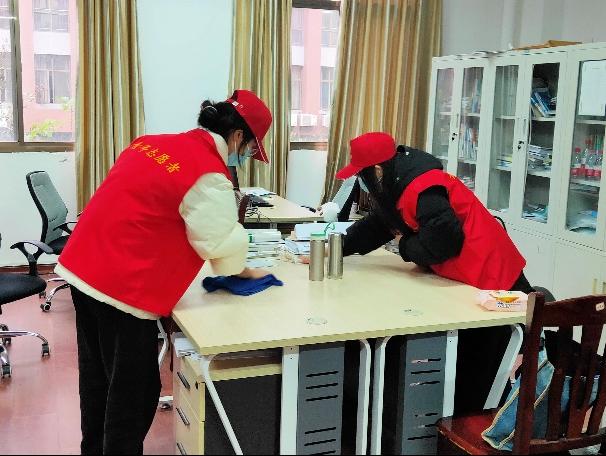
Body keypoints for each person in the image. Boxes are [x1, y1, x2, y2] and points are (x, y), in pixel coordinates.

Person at [55, 89, 272, 454]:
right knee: (134, 394)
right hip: (121, 289)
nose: (247, 155)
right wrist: (241, 268)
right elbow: (218, 242)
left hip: (81, 269)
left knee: (98, 382)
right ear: (237, 136)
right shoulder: (208, 172)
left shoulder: (150, 143)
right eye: (251, 148)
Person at [335, 132, 534, 414]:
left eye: (361, 175)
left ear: (377, 171)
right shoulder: (396, 184)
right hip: (466, 275)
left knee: (486, 358)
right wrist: (335, 248)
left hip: (489, 272)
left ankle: (474, 421)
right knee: (469, 357)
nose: (361, 183)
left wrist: (404, 245)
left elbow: (444, 241)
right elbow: (378, 225)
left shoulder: (423, 185)